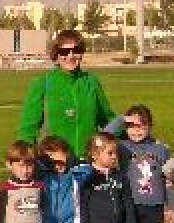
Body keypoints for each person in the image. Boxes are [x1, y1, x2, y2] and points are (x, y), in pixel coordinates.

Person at [16, 29, 117, 158]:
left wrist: (131, 129)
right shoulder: (43, 83)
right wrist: (24, 157)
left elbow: (108, 120)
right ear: (56, 54)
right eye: (64, 52)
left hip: (87, 164)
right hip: (54, 165)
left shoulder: (91, 82)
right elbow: (28, 129)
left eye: (76, 51)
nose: (70, 56)